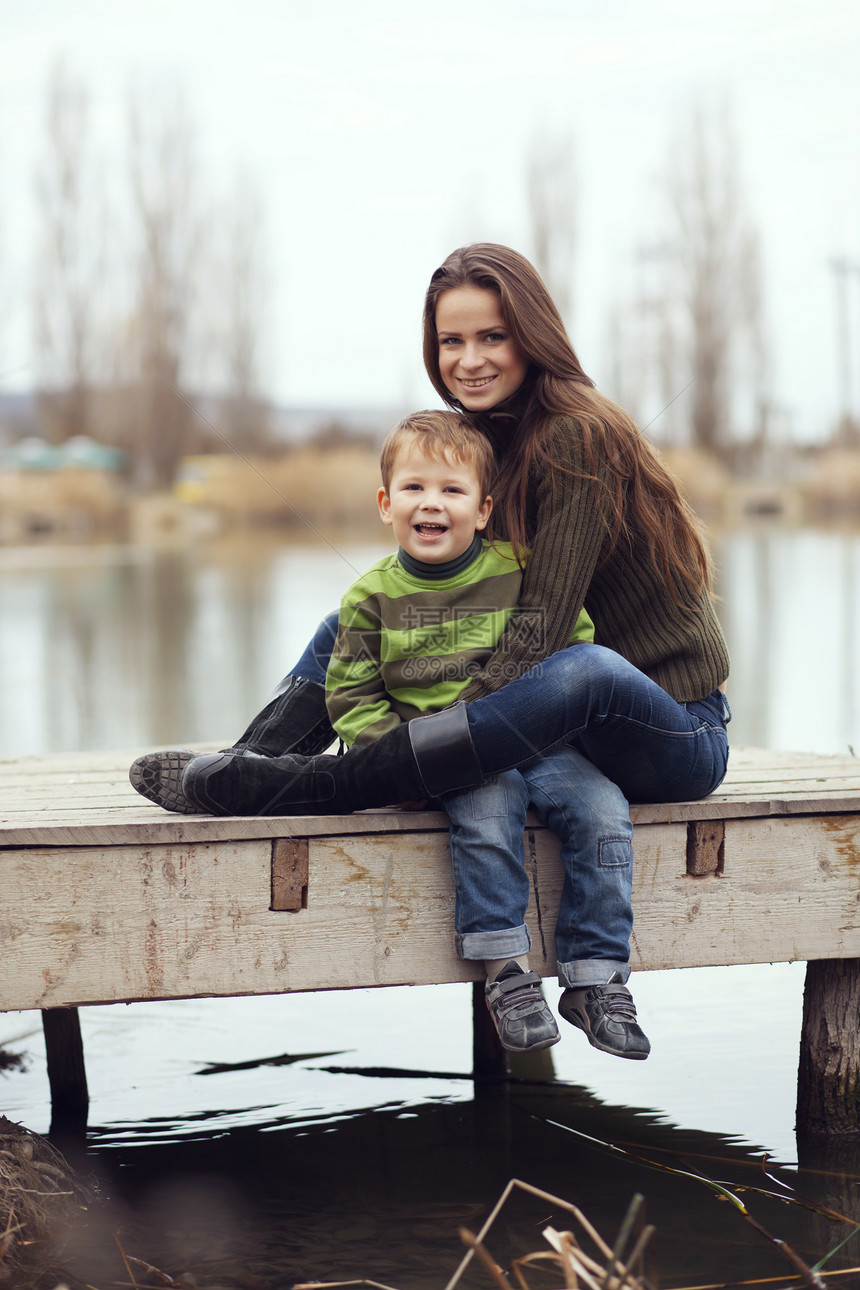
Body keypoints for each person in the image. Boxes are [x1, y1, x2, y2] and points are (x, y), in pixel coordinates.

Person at [130, 242, 730, 1058]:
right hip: (554, 725)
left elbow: (543, 631)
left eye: (492, 337)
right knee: (364, 612)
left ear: (533, 335)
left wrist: (431, 728)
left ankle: (326, 784)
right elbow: (459, 596)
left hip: (668, 731)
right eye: (452, 342)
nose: (470, 359)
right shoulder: (485, 442)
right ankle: (254, 766)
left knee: (582, 668)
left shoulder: (577, 436)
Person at [325, 408, 632, 1057]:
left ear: (484, 508)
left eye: (451, 490)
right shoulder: (370, 598)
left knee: (603, 808)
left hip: (540, 743)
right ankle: (505, 972)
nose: (430, 503)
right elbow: (351, 697)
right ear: (386, 503)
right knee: (489, 807)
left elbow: (571, 653)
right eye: (413, 488)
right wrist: (398, 759)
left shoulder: (517, 573)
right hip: (448, 756)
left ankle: (596, 975)